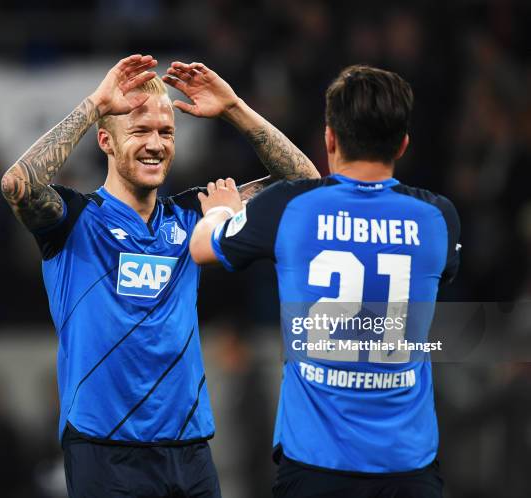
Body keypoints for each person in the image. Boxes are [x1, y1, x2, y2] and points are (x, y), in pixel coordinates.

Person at [1, 54, 319, 498]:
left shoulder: (193, 215)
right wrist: (95, 104)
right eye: (140, 131)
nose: (156, 144)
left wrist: (234, 109)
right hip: (104, 447)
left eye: (166, 132)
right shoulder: (75, 220)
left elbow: (307, 186)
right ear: (106, 142)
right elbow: (18, 185)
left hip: (188, 447)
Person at [189, 64, 461, 498]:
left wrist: (222, 209)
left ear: (330, 138)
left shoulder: (290, 208)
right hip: (408, 469)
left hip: (316, 467)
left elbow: (202, 247)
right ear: (404, 143)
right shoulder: (438, 218)